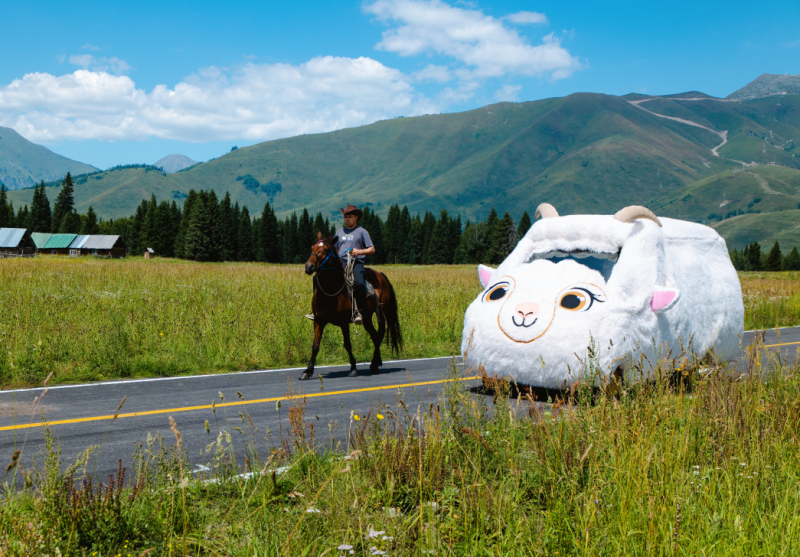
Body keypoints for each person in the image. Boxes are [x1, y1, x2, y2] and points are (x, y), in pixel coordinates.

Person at [306, 204, 375, 324]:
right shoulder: (340, 231)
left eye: (350, 217)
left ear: (356, 217)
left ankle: (358, 311)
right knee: (317, 278)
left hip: (356, 262)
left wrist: (359, 251)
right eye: (345, 217)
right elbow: (334, 248)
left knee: (358, 282)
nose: (347, 219)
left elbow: (372, 249)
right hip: (340, 262)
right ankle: (317, 308)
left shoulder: (362, 232)